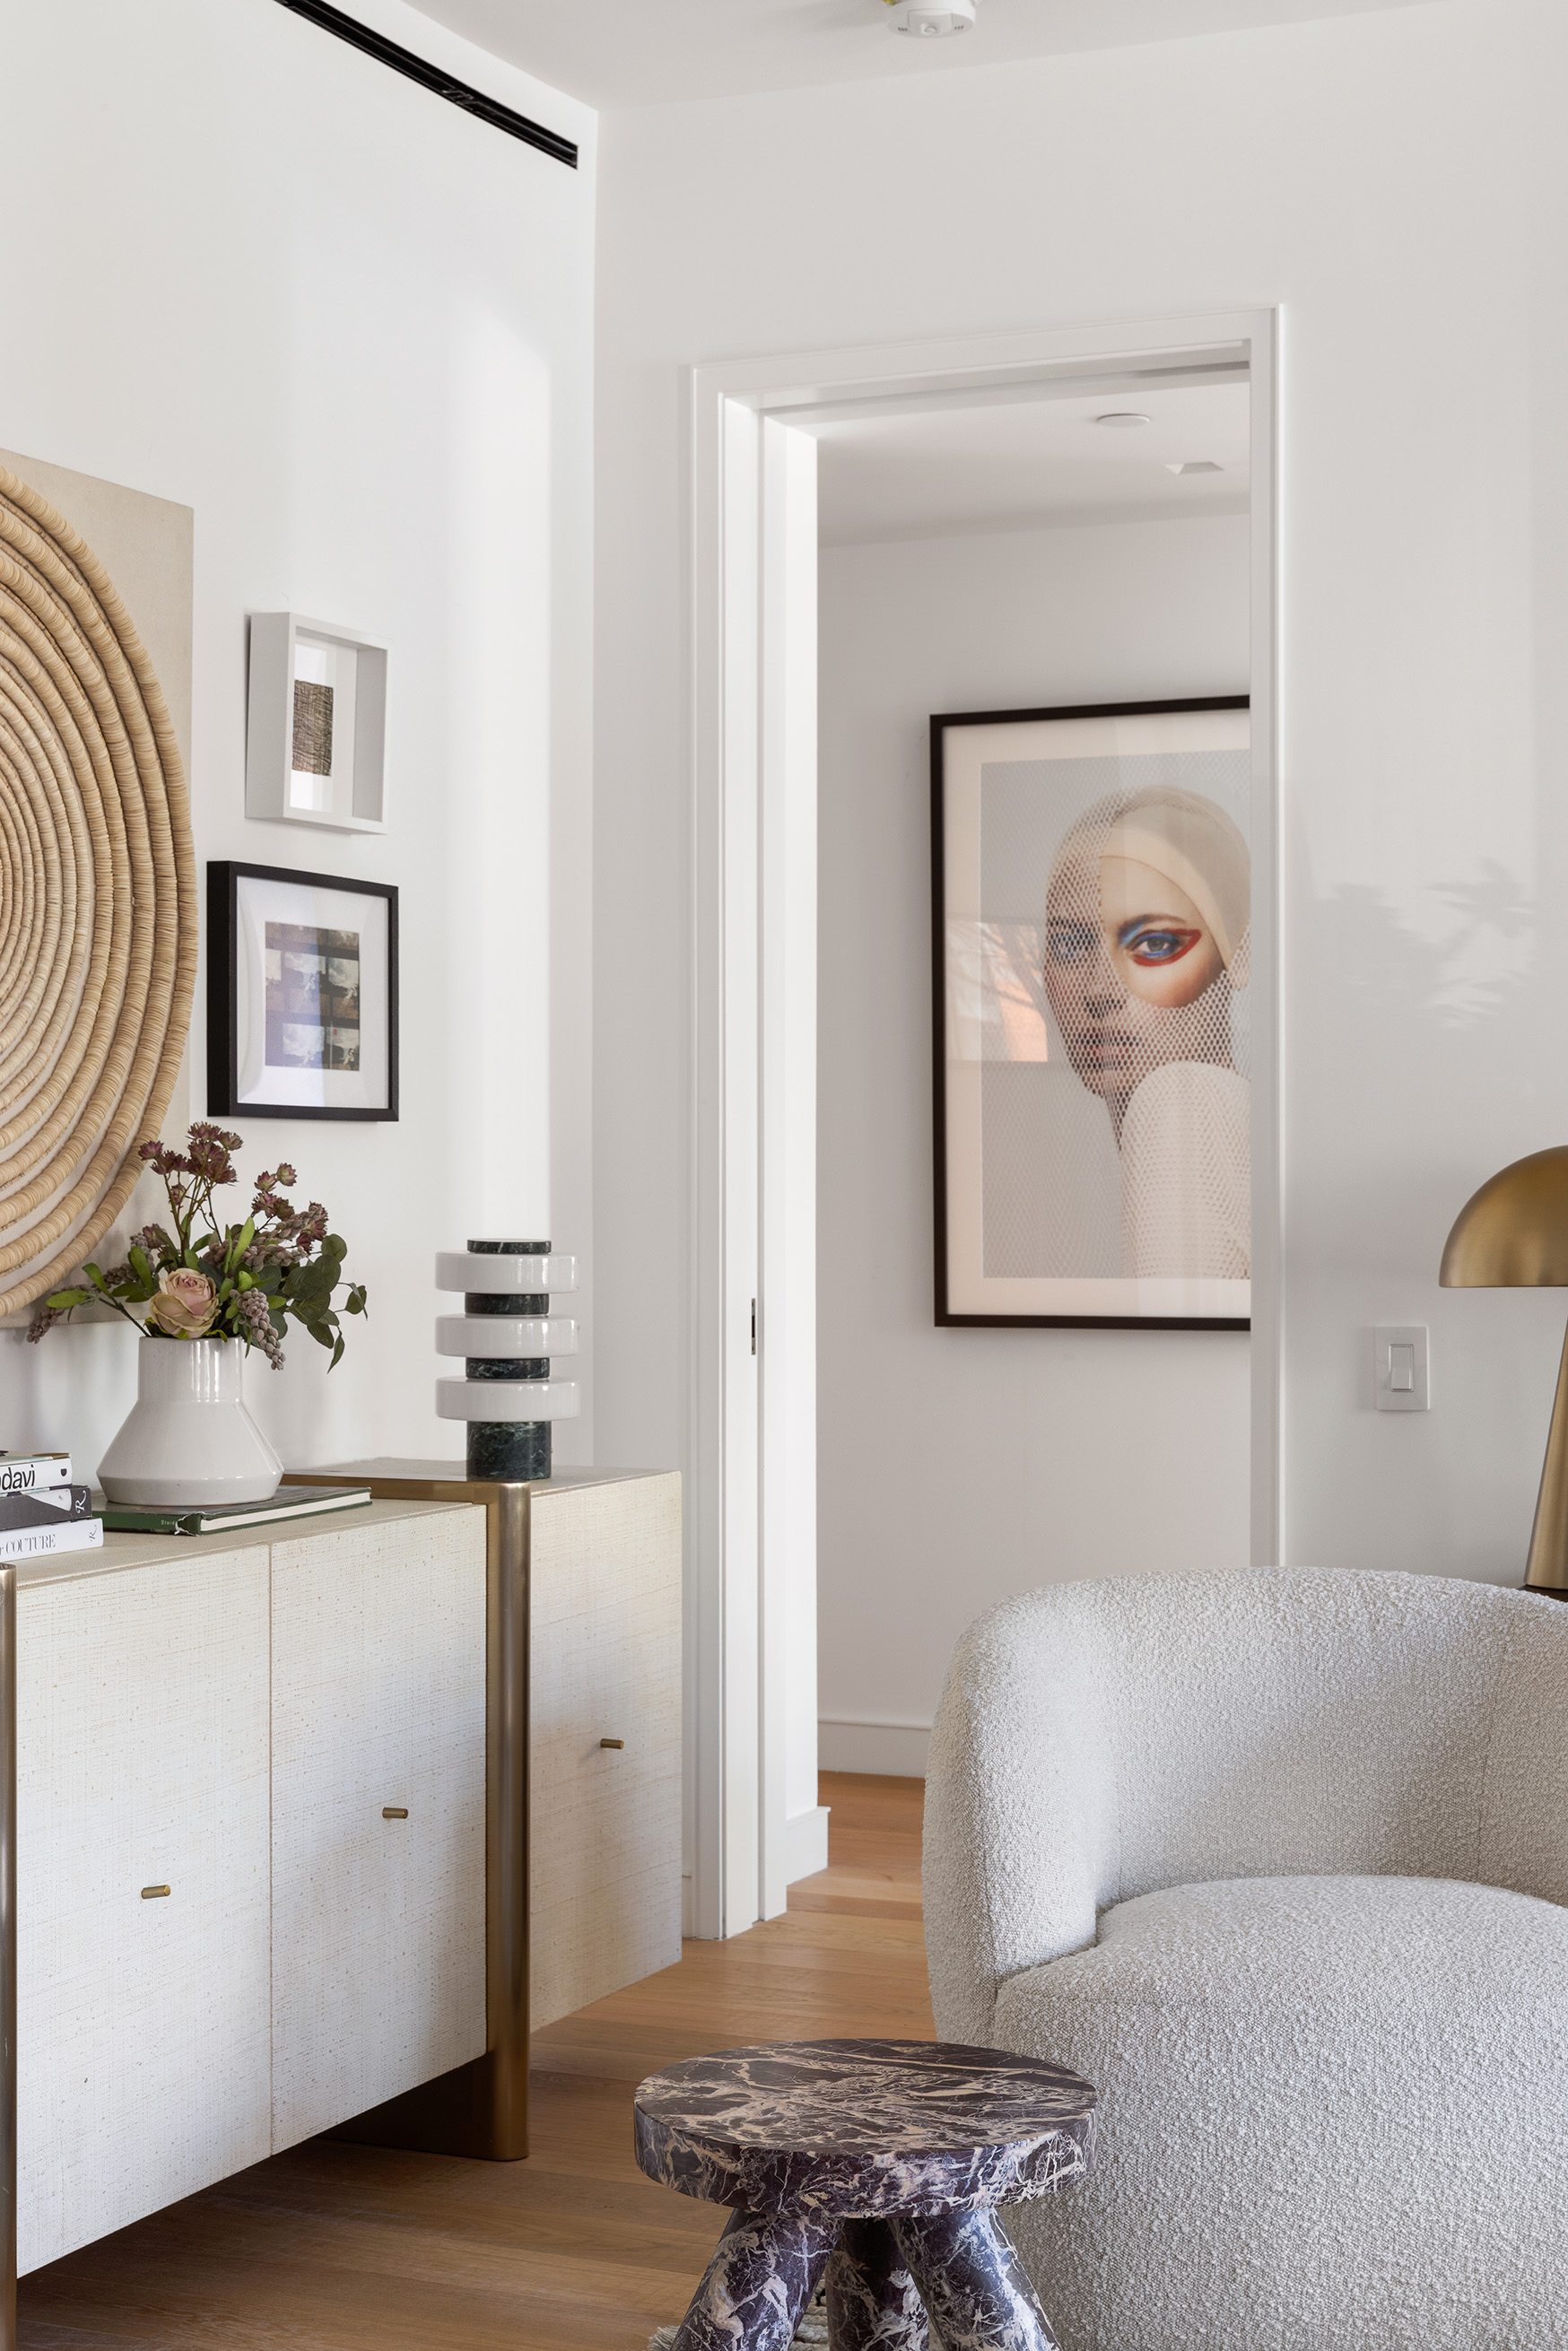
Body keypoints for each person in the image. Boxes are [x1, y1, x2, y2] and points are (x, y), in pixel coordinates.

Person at [1042, 785, 1250, 1280]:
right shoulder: (1233, 1116)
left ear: (1238, 954)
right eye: (1071, 945)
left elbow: (1178, 1348)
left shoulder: (1180, 1105)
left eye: (1154, 943)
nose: (1100, 990)